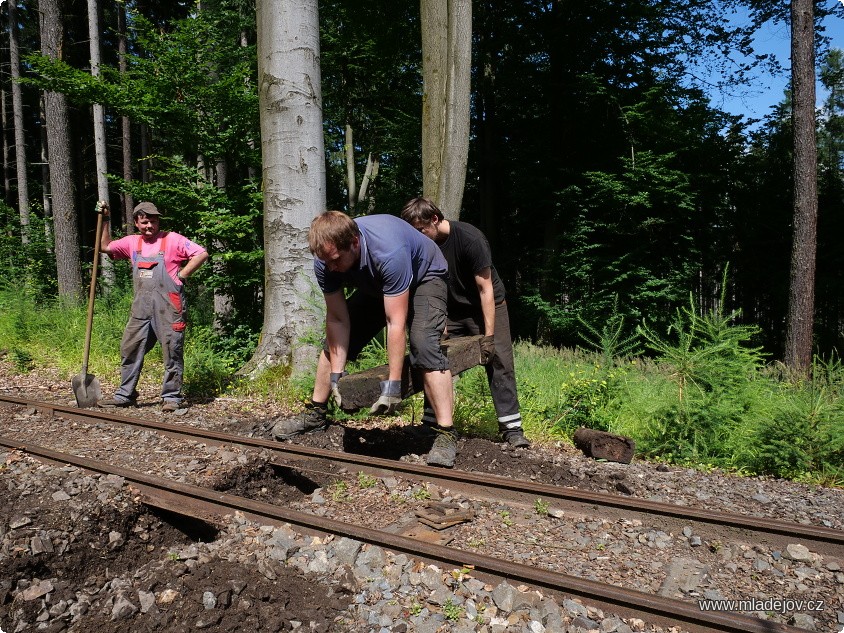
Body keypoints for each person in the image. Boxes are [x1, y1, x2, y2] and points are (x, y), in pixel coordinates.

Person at [271, 211, 460, 467]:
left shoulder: (388, 252)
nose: (331, 268)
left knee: (424, 344)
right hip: (376, 284)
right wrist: (337, 377)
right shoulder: (326, 260)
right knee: (332, 344)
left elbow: (395, 322)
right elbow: (338, 320)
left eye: (335, 260)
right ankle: (316, 412)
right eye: (325, 261)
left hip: (426, 275)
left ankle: (446, 432)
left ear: (354, 243)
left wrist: (393, 387)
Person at [401, 197, 529, 448]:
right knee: (435, 359)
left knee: (499, 361)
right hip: (450, 308)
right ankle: (433, 422)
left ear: (434, 220)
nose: (417, 236)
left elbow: (486, 290)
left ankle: (512, 428)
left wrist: (489, 337)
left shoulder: (470, 239)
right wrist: (441, 322)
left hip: (487, 307)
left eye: (420, 230)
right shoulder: (421, 246)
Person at [97, 201, 208, 412]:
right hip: (141, 308)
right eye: (145, 222)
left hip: (169, 308)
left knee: (171, 351)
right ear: (137, 223)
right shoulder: (132, 243)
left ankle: (171, 397)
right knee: (129, 349)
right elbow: (105, 247)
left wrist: (182, 276)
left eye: (153, 221)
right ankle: (125, 395)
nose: (150, 226)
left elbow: (201, 253)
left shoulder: (172, 240)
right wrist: (106, 220)